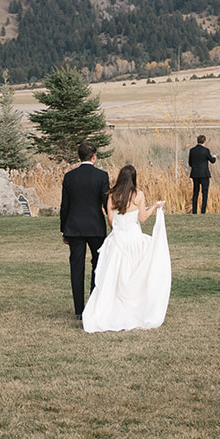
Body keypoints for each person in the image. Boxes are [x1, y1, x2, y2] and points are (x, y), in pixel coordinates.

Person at [82, 164, 170, 332]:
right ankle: (138, 307)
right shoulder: (138, 195)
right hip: (134, 240)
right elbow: (143, 218)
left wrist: (118, 229)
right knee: (138, 274)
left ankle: (109, 310)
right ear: (134, 178)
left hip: (117, 241)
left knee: (113, 277)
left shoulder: (112, 195)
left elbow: (110, 219)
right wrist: (155, 207)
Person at [60, 141, 111, 319]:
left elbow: (64, 206)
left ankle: (79, 310)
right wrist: (115, 222)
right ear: (94, 157)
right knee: (98, 266)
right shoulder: (102, 176)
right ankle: (93, 305)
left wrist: (63, 230)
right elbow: (107, 204)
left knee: (77, 268)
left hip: (74, 228)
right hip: (96, 227)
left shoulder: (69, 177)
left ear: (80, 157)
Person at [187, 135, 217, 214]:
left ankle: (194, 211)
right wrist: (214, 157)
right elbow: (212, 161)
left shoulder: (192, 150)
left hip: (195, 174)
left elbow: (190, 163)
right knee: (205, 193)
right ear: (204, 141)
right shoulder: (206, 150)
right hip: (204, 174)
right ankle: (203, 211)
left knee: (195, 192)